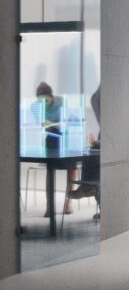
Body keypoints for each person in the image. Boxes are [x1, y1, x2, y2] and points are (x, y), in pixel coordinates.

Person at [36, 82, 73, 217]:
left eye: (46, 100)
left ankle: (69, 202)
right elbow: (41, 126)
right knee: (50, 168)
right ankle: (49, 206)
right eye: (40, 101)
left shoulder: (61, 102)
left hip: (66, 137)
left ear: (51, 96)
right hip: (51, 137)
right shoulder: (37, 106)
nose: (43, 104)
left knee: (71, 166)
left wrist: (49, 123)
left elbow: (64, 125)